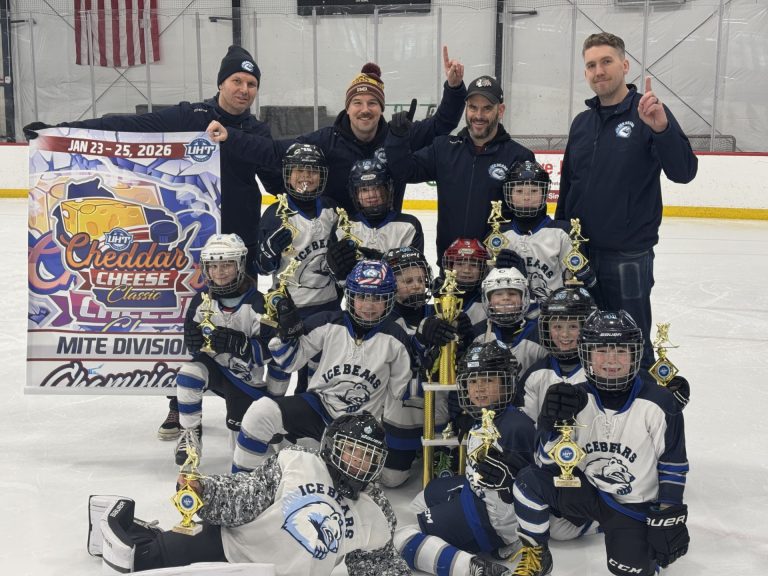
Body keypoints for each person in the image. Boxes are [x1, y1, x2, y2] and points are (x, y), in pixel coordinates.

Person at [25, 44, 283, 440]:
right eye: (237, 80)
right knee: (183, 318)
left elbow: (276, 176)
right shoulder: (190, 116)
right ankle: (178, 402)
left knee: (239, 318)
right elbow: (130, 126)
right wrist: (62, 131)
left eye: (251, 83)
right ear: (221, 83)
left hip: (239, 242)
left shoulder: (257, 131)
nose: (244, 89)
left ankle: (240, 395)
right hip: (189, 243)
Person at [87, 412, 411, 576]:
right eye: (352, 451)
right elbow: (244, 494)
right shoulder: (297, 461)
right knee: (140, 560)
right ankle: (123, 521)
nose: (359, 462)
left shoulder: (378, 511)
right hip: (230, 548)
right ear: (332, 447)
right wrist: (205, 490)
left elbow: (378, 566)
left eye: (369, 456)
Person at [555, 32, 698, 371]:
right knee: (584, 339)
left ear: (625, 64)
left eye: (606, 61)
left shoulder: (647, 112)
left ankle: (642, 408)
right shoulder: (581, 124)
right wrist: (561, 238)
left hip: (628, 256)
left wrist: (661, 129)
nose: (598, 71)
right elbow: (568, 187)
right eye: (591, 65)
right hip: (581, 256)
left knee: (629, 342)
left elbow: (684, 171)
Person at [509, 310, 690, 576]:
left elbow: (672, 464)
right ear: (587, 354)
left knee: (628, 569)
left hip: (633, 505)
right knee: (528, 481)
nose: (612, 360)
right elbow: (546, 462)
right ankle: (537, 552)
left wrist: (668, 515)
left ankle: (617, 529)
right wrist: (549, 424)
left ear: (635, 354)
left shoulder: (659, 402)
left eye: (621, 351)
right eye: (602, 350)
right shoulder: (574, 397)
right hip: (587, 494)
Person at [207, 47, 467, 213]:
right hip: (337, 241)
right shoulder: (326, 140)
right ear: (348, 107)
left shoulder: (399, 136)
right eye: (357, 103)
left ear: (381, 108)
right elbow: (275, 152)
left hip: (385, 235)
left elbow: (442, 124)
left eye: (372, 103)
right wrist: (231, 137)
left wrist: (454, 89)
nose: (365, 109)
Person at [231, 260, 413, 473]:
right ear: (350, 296)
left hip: (359, 428)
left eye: (377, 298)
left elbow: (400, 394)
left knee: (347, 481)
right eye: (362, 296)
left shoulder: (396, 338)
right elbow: (289, 362)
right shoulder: (327, 322)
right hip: (319, 408)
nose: (369, 306)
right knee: (261, 412)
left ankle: (311, 455)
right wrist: (286, 334)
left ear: (389, 299)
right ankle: (242, 482)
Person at [394, 340, 534, 576]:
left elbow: (533, 489)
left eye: (488, 380)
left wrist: (508, 529)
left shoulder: (516, 427)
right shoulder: (486, 416)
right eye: (472, 381)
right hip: (475, 492)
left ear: (506, 383)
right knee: (422, 498)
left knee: (401, 538)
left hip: (489, 520)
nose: (478, 388)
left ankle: (473, 567)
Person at [384, 74, 535, 265]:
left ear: (501, 110)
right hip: (450, 268)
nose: (478, 115)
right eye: (473, 107)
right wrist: (397, 138)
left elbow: (529, 216)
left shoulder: (519, 156)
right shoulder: (443, 148)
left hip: (496, 270)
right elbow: (405, 171)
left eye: (487, 108)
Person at [173, 233, 282, 465]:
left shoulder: (260, 303)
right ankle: (190, 434)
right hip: (216, 371)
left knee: (245, 455)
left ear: (240, 265)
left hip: (246, 380)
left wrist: (239, 344)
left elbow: (274, 354)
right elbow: (195, 347)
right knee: (188, 374)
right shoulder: (201, 300)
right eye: (213, 266)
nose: (219, 272)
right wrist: (193, 343)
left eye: (227, 265)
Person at [256, 143, 340, 394]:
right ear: (287, 174)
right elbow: (261, 268)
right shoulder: (275, 214)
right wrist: (268, 254)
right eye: (299, 170)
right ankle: (272, 411)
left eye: (313, 171)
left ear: (322, 175)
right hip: (287, 308)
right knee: (281, 365)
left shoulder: (332, 210)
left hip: (327, 306)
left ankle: (306, 411)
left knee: (317, 366)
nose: (306, 176)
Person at [495, 161, 595, 304]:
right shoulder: (498, 235)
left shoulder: (563, 232)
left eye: (534, 191)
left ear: (544, 193)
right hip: (510, 314)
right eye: (519, 191)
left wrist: (585, 277)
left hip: (555, 316)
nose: (527, 197)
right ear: (509, 194)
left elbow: (578, 283)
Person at [325, 159, 424, 283]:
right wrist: (338, 273)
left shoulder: (409, 226)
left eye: (377, 187)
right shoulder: (343, 227)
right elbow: (341, 281)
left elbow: (413, 276)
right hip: (359, 301)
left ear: (388, 189)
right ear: (355, 194)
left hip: (397, 301)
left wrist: (382, 262)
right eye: (364, 190)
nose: (371, 195)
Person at [516, 285, 596, 421]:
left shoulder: (601, 370)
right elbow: (527, 426)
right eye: (557, 326)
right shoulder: (535, 374)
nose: (564, 334)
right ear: (547, 328)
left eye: (573, 326)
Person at [472, 267, 548, 376]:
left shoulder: (539, 333)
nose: (506, 298)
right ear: (488, 300)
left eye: (512, 293)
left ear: (524, 298)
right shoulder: (477, 333)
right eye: (498, 294)